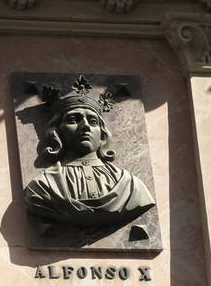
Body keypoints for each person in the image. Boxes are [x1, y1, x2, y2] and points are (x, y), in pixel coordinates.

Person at [23, 86, 154, 229]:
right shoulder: (43, 187)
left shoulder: (131, 185)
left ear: (103, 134)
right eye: (73, 120)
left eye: (93, 121)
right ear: (57, 132)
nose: (85, 126)